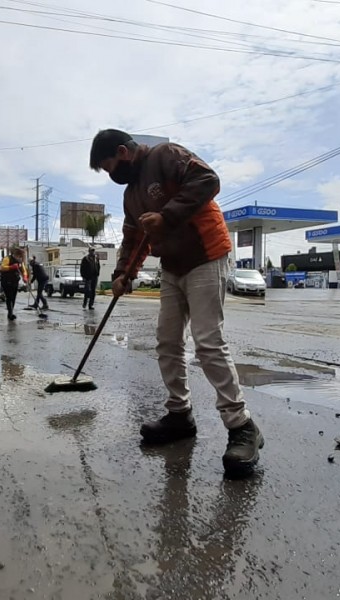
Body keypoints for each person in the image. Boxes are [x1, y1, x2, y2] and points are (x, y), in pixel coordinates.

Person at [89, 128, 264, 473]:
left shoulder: (165, 155)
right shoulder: (131, 196)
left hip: (205, 255)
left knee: (208, 342)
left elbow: (207, 180)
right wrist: (124, 273)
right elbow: (134, 236)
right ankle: (179, 415)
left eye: (110, 168)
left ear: (123, 152)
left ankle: (242, 426)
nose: (112, 176)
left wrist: (167, 216)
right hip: (172, 266)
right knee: (168, 342)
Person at [0, 247, 28, 320]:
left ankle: (11, 311)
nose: (20, 258)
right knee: (9, 297)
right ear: (15, 255)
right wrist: (11, 267)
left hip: (15, 281)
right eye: (19, 256)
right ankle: (10, 313)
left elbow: (23, 270)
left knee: (13, 297)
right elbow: (2, 268)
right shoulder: (7, 259)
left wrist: (25, 277)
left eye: (21, 257)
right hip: (6, 281)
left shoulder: (20, 262)